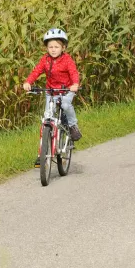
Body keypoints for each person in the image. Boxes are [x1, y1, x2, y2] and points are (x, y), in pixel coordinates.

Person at [23, 28, 81, 167]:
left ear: (63, 47)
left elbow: (73, 73)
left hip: (66, 90)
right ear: (46, 48)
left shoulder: (67, 60)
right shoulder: (45, 60)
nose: (53, 49)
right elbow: (36, 71)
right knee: (46, 119)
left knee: (66, 106)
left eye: (56, 47)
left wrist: (75, 84)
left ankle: (73, 126)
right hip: (51, 92)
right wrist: (28, 82)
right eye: (50, 47)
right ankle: (41, 155)